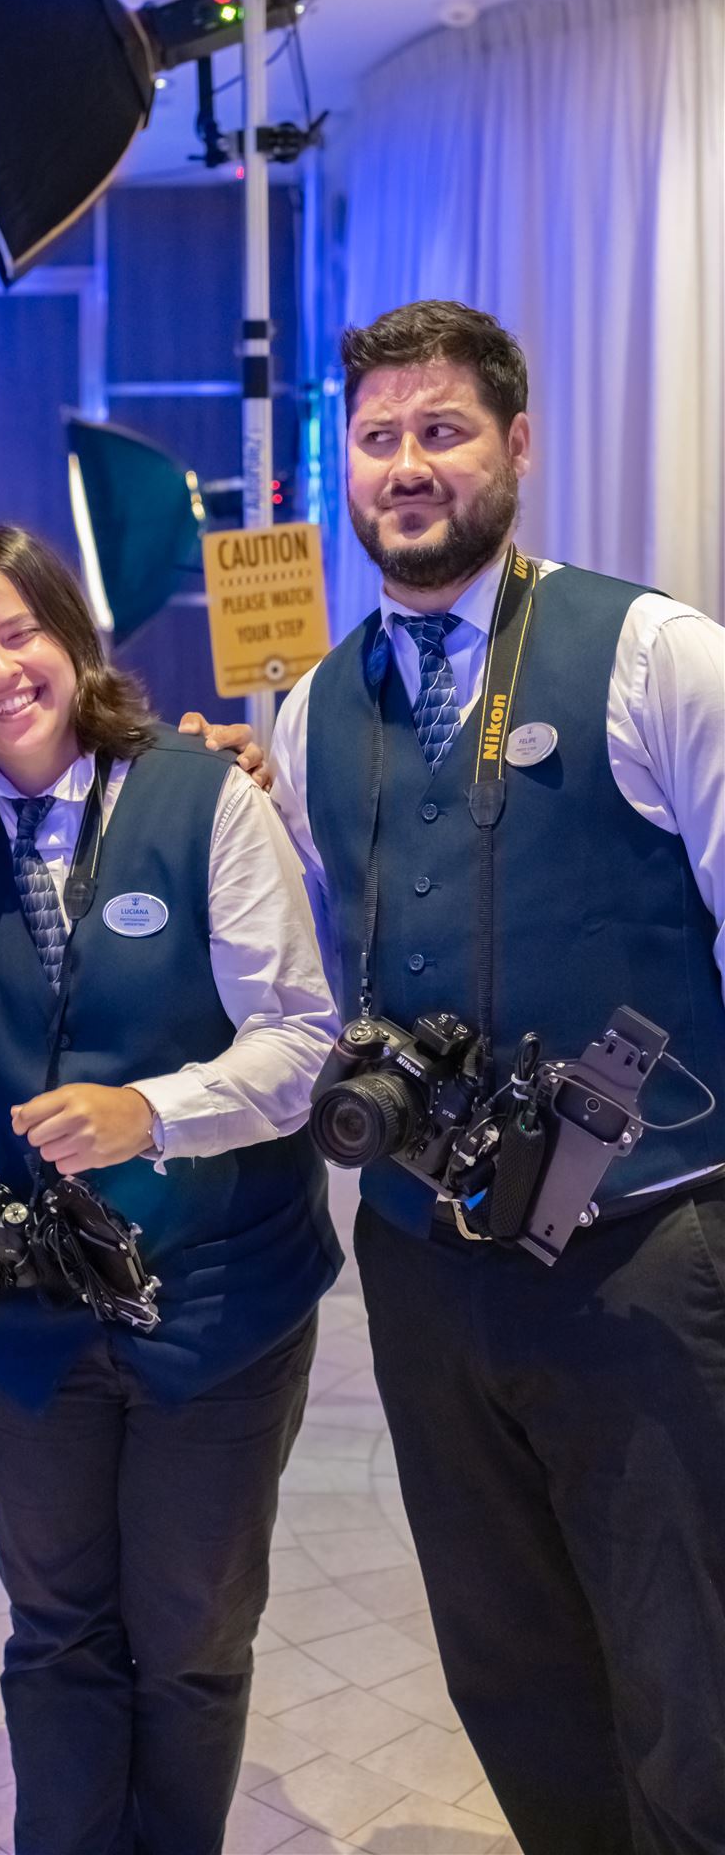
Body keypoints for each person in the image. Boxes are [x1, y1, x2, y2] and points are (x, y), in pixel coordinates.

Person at [268, 299, 725, 1855]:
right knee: (507, 1655)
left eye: (442, 431)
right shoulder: (315, 707)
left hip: (645, 1254)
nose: (408, 467)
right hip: (424, 1261)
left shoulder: (656, 655)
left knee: (692, 1668)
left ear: (517, 446)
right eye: (380, 438)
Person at [0, 523, 343, 1855]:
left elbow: (302, 1041)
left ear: (74, 636)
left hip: (218, 1296)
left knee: (193, 1637)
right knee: (56, 1630)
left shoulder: (202, 796)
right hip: (37, 1308)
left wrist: (148, 1111)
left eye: (20, 633)